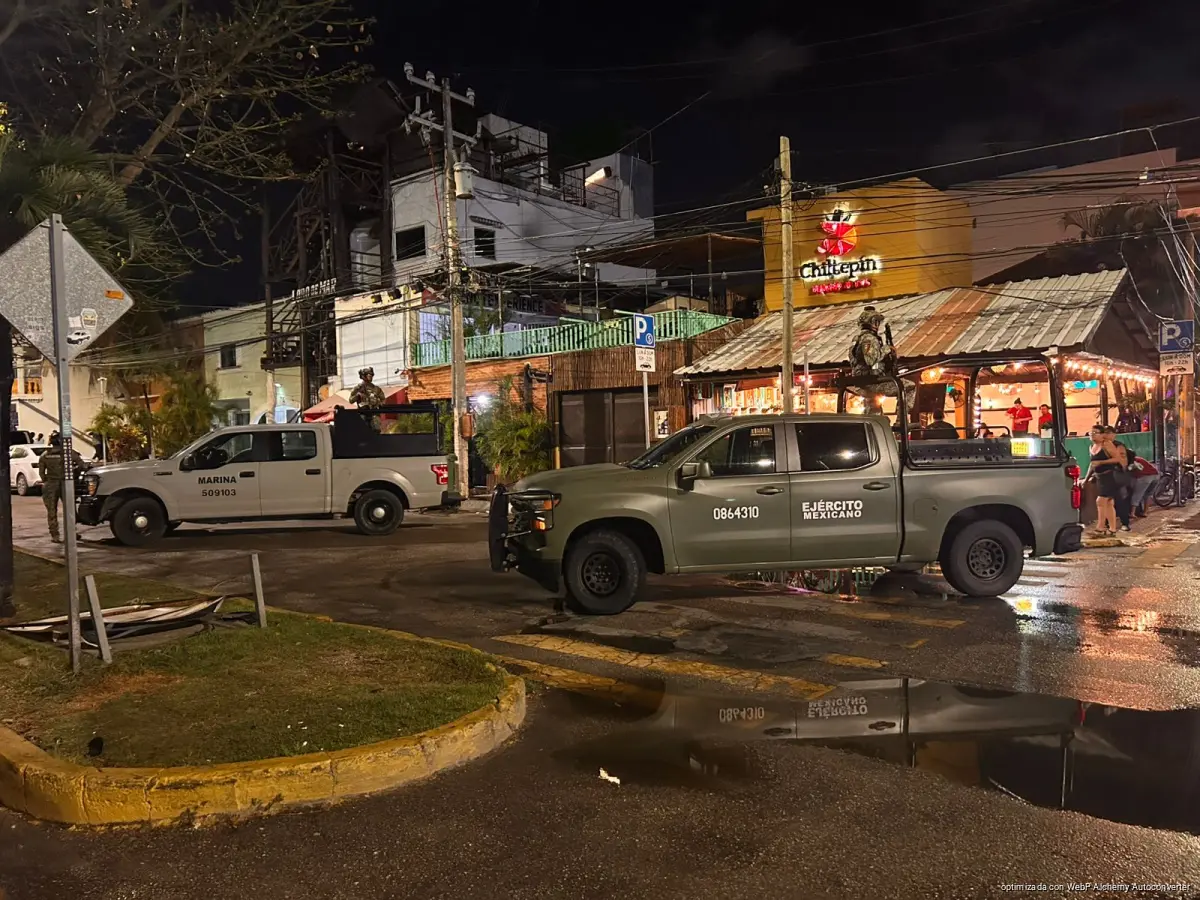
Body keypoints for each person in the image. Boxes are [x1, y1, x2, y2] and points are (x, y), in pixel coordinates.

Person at [37, 433, 84, 544]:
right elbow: (81, 464)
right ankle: (72, 532)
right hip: (66, 483)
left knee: (51, 511)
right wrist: (73, 473)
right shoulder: (69, 453)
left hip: (50, 484)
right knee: (69, 510)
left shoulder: (45, 455)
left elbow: (41, 473)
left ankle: (55, 535)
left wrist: (46, 480)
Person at [1085, 426, 1123, 538]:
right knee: (1109, 503)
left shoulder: (1106, 444)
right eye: (1091, 433)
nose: (1092, 435)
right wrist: (1086, 479)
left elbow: (1117, 459)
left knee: (1101, 501)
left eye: (1095, 433)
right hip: (1100, 478)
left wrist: (1101, 462)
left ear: (1102, 434)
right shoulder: (1091, 447)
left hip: (1110, 476)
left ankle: (1100, 527)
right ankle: (1112, 529)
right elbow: (1092, 465)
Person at [349, 366, 386, 432]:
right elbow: (351, 400)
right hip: (363, 413)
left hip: (374, 412)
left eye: (371, 376)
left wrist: (379, 403)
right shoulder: (358, 388)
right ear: (364, 376)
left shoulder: (376, 388)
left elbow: (383, 399)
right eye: (369, 375)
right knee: (363, 431)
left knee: (376, 430)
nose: (371, 377)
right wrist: (357, 396)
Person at [1128, 453, 1159, 518]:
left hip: (1145, 477)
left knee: (1137, 494)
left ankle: (1132, 513)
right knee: (1147, 494)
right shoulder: (1138, 458)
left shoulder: (1131, 462)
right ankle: (1145, 512)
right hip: (1156, 475)